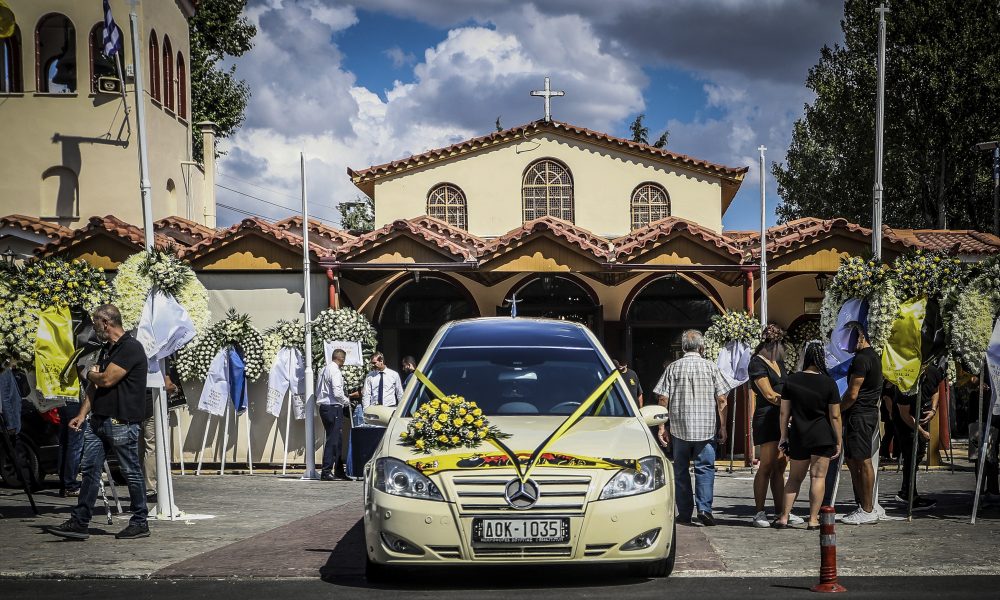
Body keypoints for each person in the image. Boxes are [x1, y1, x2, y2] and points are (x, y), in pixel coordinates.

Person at [47, 304, 150, 540]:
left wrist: (87, 372)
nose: (94, 328)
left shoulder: (130, 348)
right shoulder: (107, 349)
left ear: (106, 322)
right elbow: (95, 388)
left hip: (121, 421)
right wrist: (82, 414)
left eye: (95, 323)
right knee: (90, 470)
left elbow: (104, 380)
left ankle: (140, 521)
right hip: (98, 421)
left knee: (131, 471)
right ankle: (80, 521)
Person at [653, 329, 730, 526]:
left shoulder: (673, 368)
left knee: (680, 471)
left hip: (680, 429)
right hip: (705, 428)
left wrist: (662, 427)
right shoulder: (711, 367)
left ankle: (685, 513)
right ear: (702, 347)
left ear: (683, 347)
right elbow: (722, 399)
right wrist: (723, 426)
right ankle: (704, 509)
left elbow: (662, 398)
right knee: (705, 469)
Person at [774, 340, 843, 529]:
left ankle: (784, 517)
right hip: (822, 435)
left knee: (794, 478)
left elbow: (784, 412)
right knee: (818, 478)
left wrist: (783, 436)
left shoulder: (792, 381)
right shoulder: (829, 383)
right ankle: (813, 520)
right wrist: (839, 440)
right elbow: (835, 415)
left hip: (798, 434)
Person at [747, 324, 797, 528]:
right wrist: (792, 403)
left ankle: (781, 511)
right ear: (774, 344)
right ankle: (759, 511)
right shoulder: (756, 363)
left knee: (780, 466)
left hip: (782, 419)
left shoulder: (778, 362)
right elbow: (768, 394)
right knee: (766, 466)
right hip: (766, 418)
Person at [839, 322, 883, 525]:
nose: (849, 343)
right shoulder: (873, 357)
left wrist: (837, 409)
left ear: (862, 336)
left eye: (852, 337)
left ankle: (867, 508)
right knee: (853, 458)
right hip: (864, 414)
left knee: (862, 460)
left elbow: (853, 393)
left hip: (860, 414)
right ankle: (863, 504)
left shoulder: (862, 359)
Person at [892, 361, 943, 510]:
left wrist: (933, 409)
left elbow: (936, 390)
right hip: (905, 419)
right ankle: (909, 494)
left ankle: (906, 491)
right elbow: (904, 414)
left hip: (922, 414)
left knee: (919, 452)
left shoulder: (933, 372)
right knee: (911, 454)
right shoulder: (905, 380)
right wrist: (922, 431)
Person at [316, 348, 349, 481]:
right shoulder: (335, 370)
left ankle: (339, 470)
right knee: (333, 440)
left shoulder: (324, 369)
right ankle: (327, 471)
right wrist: (346, 401)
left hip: (325, 407)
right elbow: (337, 392)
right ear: (341, 359)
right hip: (333, 407)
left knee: (337, 440)